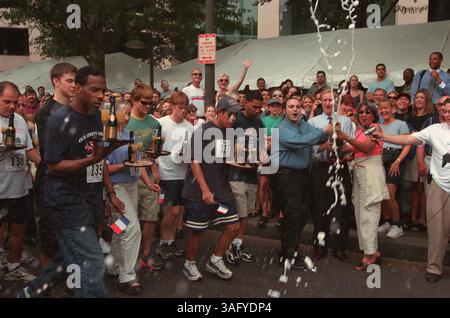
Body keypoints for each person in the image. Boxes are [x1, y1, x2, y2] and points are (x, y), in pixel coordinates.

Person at [23, 67, 125, 298]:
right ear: (78, 89)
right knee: (92, 262)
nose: (101, 95)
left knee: (67, 258)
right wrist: (93, 158)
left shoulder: (96, 118)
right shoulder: (59, 118)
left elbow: (98, 158)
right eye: (95, 90)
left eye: (103, 90)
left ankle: (31, 292)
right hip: (65, 202)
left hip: (90, 199)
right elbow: (53, 166)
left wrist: (110, 193)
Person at [374, 98, 450, 284]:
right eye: (444, 110)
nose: (446, 114)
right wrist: (383, 137)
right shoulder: (434, 129)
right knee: (437, 229)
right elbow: (408, 138)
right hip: (439, 185)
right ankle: (434, 268)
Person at [181, 95, 241, 281]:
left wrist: (246, 158)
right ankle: (189, 263)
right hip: (199, 191)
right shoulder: (202, 131)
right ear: (219, 113)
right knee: (198, 231)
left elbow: (226, 159)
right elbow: (195, 161)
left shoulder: (229, 132)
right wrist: (205, 190)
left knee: (233, 225)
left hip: (222, 189)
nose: (233, 118)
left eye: (235, 115)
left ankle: (215, 260)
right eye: (230, 114)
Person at [272, 96, 335, 268]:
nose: (294, 109)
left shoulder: (302, 124)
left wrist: (326, 132)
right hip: (287, 177)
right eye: (291, 106)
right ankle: (287, 258)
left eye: (298, 107)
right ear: (285, 110)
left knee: (299, 217)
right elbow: (299, 142)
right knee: (293, 217)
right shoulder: (281, 128)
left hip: (302, 175)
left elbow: (314, 138)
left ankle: (289, 252)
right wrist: (323, 132)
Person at [105, 103, 157, 296]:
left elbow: (139, 163)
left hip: (132, 185)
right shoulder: (106, 135)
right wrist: (122, 165)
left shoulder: (130, 135)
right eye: (124, 114)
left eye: (128, 114)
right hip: (115, 187)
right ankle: (126, 276)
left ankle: (113, 266)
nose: (127, 118)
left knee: (120, 227)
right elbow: (103, 167)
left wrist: (148, 183)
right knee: (132, 228)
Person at [34, 63, 78, 272]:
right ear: (56, 82)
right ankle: (45, 287)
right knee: (49, 238)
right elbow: (51, 155)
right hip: (51, 184)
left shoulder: (74, 110)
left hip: (72, 181)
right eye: (69, 81)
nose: (73, 85)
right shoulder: (47, 112)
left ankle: (69, 279)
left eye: (75, 81)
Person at [337, 102, 388, 271]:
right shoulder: (360, 131)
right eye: (361, 112)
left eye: (368, 112)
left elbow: (367, 148)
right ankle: (373, 251)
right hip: (359, 173)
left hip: (370, 174)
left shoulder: (375, 128)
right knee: (361, 215)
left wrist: (347, 138)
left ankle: (369, 256)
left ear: (374, 115)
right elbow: (354, 151)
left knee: (368, 215)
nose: (364, 114)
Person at [0, 81, 41, 282]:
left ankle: (13, 266)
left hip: (21, 187)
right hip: (1, 189)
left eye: (15, 102)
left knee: (21, 229)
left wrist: (44, 165)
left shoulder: (19, 120)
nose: (12, 106)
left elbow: (28, 150)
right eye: (7, 101)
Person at [308, 89, 354, 263]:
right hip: (320, 168)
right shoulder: (312, 122)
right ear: (320, 102)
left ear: (337, 101)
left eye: (332, 100)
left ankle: (339, 248)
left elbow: (351, 144)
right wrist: (322, 147)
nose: (328, 103)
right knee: (320, 209)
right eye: (325, 100)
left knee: (341, 210)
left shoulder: (346, 121)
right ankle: (320, 248)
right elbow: (309, 149)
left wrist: (344, 150)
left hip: (340, 167)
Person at [125, 84, 164, 271]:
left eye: (151, 103)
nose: (148, 106)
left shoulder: (155, 124)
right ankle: (120, 254)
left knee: (150, 217)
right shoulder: (125, 122)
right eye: (144, 103)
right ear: (134, 100)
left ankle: (145, 255)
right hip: (124, 178)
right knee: (124, 220)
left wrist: (155, 166)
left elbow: (151, 151)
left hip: (147, 174)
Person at [225, 90, 263, 265]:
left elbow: (260, 148)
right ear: (244, 102)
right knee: (236, 213)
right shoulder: (234, 119)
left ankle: (238, 244)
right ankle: (226, 247)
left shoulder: (259, 122)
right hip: (235, 173)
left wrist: (262, 154)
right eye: (255, 106)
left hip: (251, 173)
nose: (257, 110)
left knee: (246, 213)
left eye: (260, 107)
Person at [156, 92, 193, 261]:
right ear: (171, 106)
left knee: (178, 212)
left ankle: (170, 242)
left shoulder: (189, 127)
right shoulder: (161, 123)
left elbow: (192, 151)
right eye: (179, 108)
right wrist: (155, 169)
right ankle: (163, 243)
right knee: (170, 211)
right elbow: (153, 148)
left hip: (182, 173)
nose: (182, 112)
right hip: (166, 172)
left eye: (185, 109)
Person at [377, 100, 411, 239]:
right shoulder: (378, 126)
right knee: (382, 195)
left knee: (390, 194)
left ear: (393, 109)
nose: (383, 111)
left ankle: (397, 225)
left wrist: (397, 161)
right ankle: (387, 221)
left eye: (386, 108)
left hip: (395, 159)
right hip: (380, 159)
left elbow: (407, 144)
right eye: (381, 108)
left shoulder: (401, 124)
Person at [404, 89, 434, 232]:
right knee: (414, 187)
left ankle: (423, 218)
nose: (419, 100)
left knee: (422, 188)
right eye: (417, 98)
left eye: (422, 98)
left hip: (424, 155)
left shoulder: (431, 118)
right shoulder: (410, 117)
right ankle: (413, 217)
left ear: (426, 100)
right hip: (411, 154)